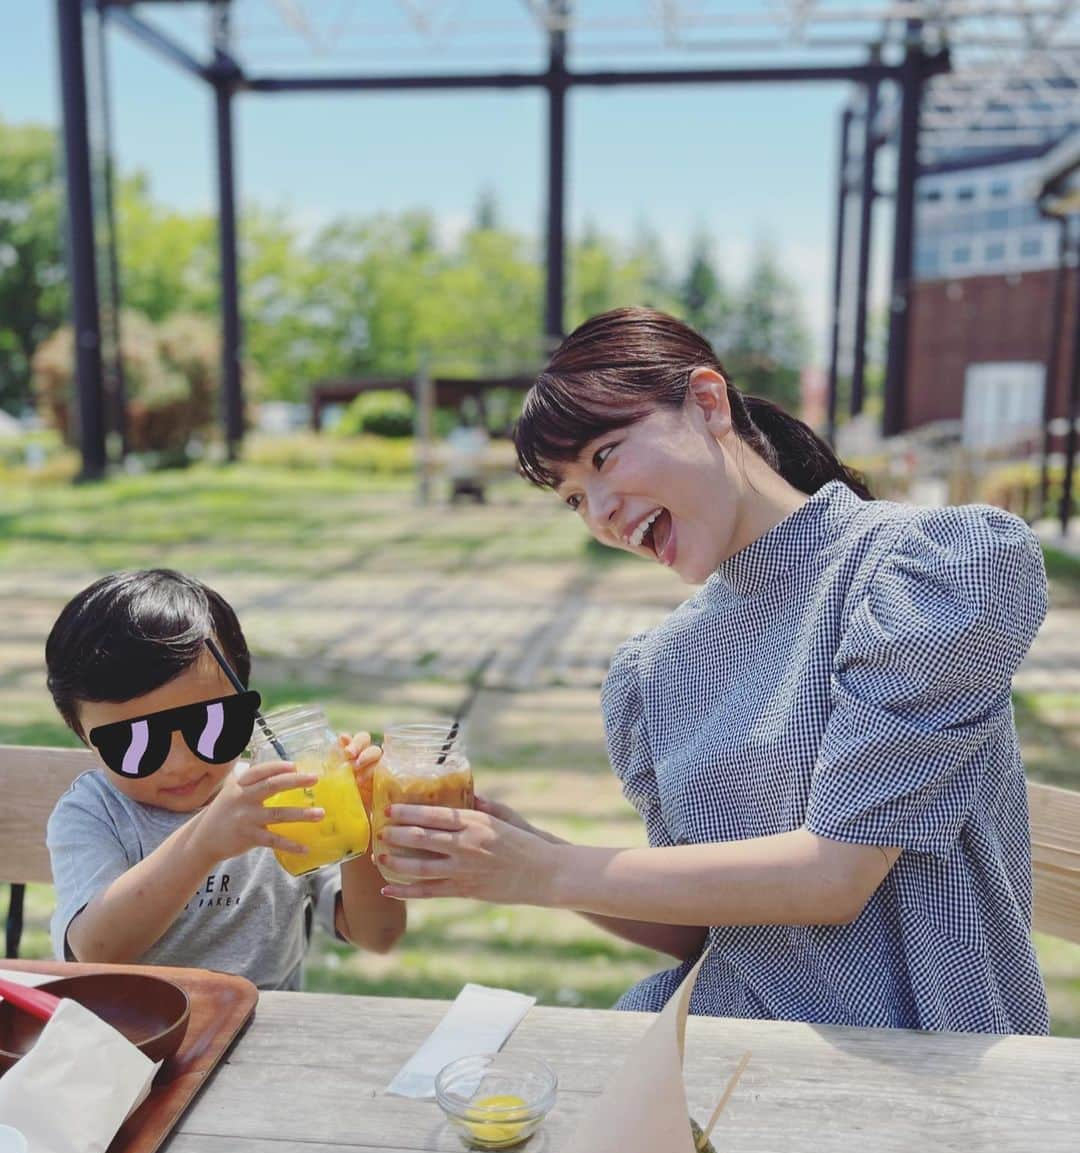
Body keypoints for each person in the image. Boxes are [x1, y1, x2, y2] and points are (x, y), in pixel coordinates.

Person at [376, 307, 1050, 1034]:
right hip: (714, 1044)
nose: (601, 513)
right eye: (572, 498)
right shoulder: (654, 671)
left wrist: (539, 872)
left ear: (707, 402)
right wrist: (531, 852)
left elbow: (834, 878)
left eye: (604, 456)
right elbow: (703, 930)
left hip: (917, 1063)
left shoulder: (926, 569)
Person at [45, 569, 404, 989]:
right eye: (136, 742)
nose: (180, 763)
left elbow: (377, 935)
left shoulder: (282, 793)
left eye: (210, 726)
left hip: (269, 1035)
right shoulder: (94, 813)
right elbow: (97, 951)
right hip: (140, 1038)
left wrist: (363, 824)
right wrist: (203, 843)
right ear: (84, 737)